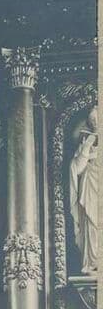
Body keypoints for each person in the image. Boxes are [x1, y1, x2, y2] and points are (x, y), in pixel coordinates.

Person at [70, 106, 98, 274]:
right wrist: (87, 146)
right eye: (93, 122)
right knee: (92, 223)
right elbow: (77, 168)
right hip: (90, 190)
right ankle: (93, 262)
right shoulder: (86, 143)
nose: (96, 124)